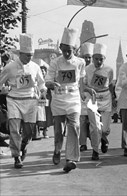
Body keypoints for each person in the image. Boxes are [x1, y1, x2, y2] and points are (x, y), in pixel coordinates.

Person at [0, 34, 47, 168]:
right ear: (21, 53)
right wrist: (4, 89)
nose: (29, 58)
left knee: (29, 131)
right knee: (14, 129)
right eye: (27, 55)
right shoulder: (9, 67)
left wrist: (43, 91)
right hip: (14, 100)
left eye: (31, 55)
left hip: (30, 101)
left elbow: (41, 84)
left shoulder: (35, 67)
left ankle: (24, 144)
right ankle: (16, 157)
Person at [45, 27, 86, 172]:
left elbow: (81, 80)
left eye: (70, 50)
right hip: (59, 100)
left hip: (73, 99)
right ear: (60, 48)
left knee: (74, 127)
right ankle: (57, 150)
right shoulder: (55, 63)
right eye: (65, 50)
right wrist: (51, 83)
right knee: (58, 131)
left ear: (74, 48)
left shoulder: (80, 62)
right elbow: (48, 79)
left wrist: (84, 92)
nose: (67, 53)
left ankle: (71, 159)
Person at [84, 43, 114, 154]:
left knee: (105, 128)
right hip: (92, 99)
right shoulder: (87, 69)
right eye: (96, 59)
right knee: (95, 127)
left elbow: (110, 84)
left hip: (105, 98)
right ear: (92, 58)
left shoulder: (109, 69)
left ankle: (104, 138)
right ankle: (95, 150)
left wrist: (114, 98)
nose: (98, 62)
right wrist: (88, 90)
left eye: (101, 59)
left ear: (104, 59)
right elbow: (83, 85)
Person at [79, 42, 94, 152]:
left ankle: (95, 142)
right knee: (82, 121)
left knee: (93, 121)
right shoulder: (78, 67)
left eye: (89, 57)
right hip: (82, 97)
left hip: (93, 98)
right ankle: (83, 143)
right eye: (85, 57)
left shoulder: (95, 69)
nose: (87, 60)